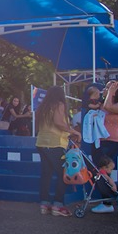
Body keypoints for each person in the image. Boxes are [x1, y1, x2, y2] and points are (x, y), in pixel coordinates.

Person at [35, 86, 81, 216]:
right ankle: (58, 204)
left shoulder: (43, 107)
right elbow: (58, 123)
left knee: (46, 174)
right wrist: (73, 131)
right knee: (64, 174)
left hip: (42, 143)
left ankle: (44, 203)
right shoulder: (59, 104)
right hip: (55, 143)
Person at [96, 80, 118, 165]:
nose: (105, 90)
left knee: (104, 168)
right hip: (99, 140)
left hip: (111, 141)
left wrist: (110, 93)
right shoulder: (101, 104)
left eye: (108, 88)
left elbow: (108, 107)